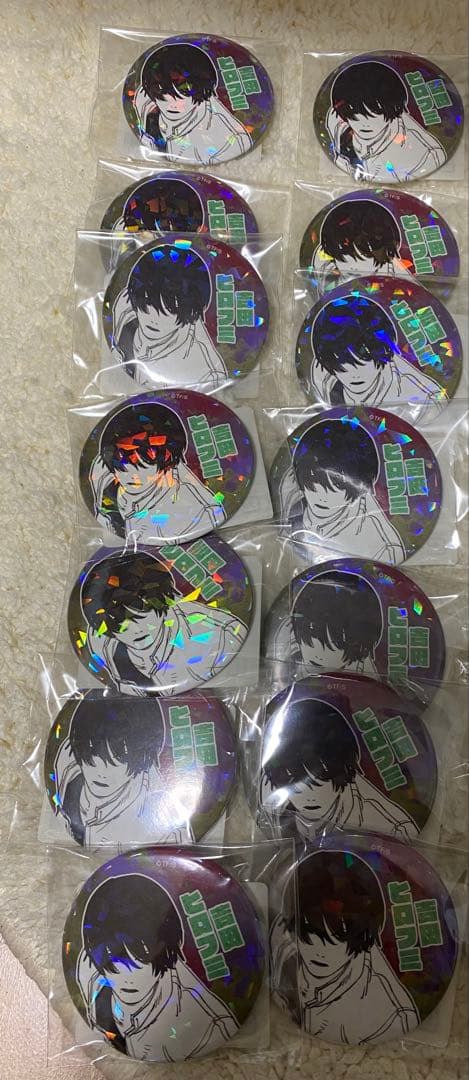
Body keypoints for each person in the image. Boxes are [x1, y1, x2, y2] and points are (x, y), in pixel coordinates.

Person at [76, 874, 239, 1060]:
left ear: (163, 952)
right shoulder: (90, 965)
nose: (128, 976)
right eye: (114, 962)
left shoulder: (206, 1027)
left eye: (142, 959)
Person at [270, 850, 420, 1044]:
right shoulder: (282, 936)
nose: (318, 951)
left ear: (361, 938)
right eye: (309, 934)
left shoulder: (387, 1017)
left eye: (335, 939)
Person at [80, 553, 248, 694]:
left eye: (142, 615)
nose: (135, 630)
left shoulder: (221, 636)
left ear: (164, 600)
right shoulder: (100, 640)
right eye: (120, 623)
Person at [260, 696, 418, 840]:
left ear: (344, 772)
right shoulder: (268, 794)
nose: (309, 796)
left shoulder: (389, 827)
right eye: (296, 788)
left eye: (320, 781)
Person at [53, 695, 191, 846]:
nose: (101, 771)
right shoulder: (68, 759)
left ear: (140, 758)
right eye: (92, 753)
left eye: (119, 758)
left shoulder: (163, 827)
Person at [89, 400, 227, 542]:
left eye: (143, 466)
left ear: (167, 461)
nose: (132, 475)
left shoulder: (194, 512)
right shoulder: (105, 479)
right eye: (121, 465)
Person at [279, 418, 406, 563]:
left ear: (359, 488)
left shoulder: (378, 547)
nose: (321, 496)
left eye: (337, 486)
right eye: (313, 482)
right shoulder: (290, 493)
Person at [110, 244, 228, 389]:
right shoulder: (126, 303)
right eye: (147, 302)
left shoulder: (204, 376)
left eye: (169, 309)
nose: (153, 317)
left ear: (190, 313)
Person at [307, 293, 444, 416]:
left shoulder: (420, 398)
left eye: (364, 359)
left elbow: (435, 403)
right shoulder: (321, 374)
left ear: (383, 354)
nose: (355, 373)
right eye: (343, 362)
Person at [326, 61, 447, 182]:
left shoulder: (423, 157)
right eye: (354, 113)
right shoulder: (337, 119)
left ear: (392, 108)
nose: (364, 123)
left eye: (375, 112)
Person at [133, 42, 252, 164]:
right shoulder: (145, 96)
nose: (172, 103)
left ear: (202, 88)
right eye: (161, 91)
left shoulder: (228, 142)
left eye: (183, 90)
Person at [269, 570, 382, 677]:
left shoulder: (366, 673)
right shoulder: (284, 653)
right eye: (312, 633)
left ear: (358, 647)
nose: (320, 655)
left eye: (338, 642)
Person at [310, 198, 414, 286]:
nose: (352, 266)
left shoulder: (398, 275)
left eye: (364, 253)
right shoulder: (325, 270)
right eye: (343, 252)